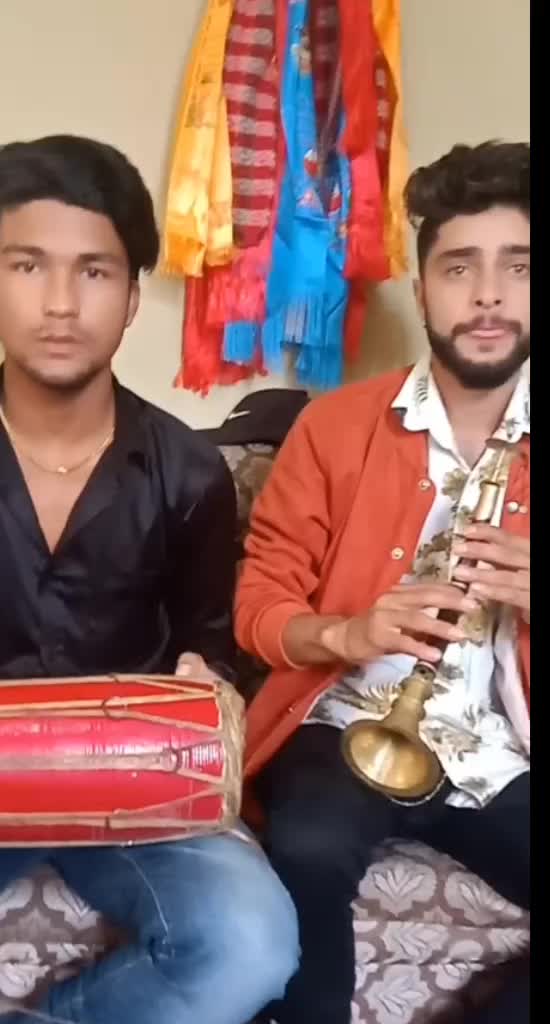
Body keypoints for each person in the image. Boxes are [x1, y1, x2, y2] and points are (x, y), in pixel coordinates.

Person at [0, 135, 299, 1024]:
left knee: (253, 945)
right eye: (27, 266)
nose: (60, 303)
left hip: (133, 784)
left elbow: (209, 635)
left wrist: (210, 675)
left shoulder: (189, 471)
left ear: (132, 298)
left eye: (94, 272)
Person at [236, 141, 530, 1024]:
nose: (488, 294)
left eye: (519, 267)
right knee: (309, 845)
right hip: (345, 720)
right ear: (422, 290)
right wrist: (347, 632)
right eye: (459, 268)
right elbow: (258, 606)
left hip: (500, 748)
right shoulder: (333, 428)